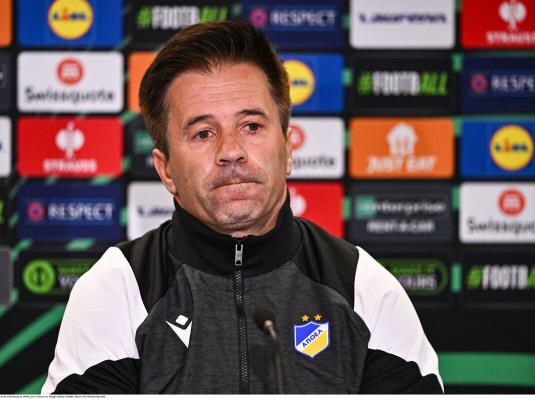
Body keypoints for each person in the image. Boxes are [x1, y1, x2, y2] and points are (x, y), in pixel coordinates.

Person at [42, 21, 443, 394]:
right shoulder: (118, 288)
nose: (230, 151)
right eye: (202, 133)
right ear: (166, 170)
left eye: (251, 126)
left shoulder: (363, 287)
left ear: (287, 148)